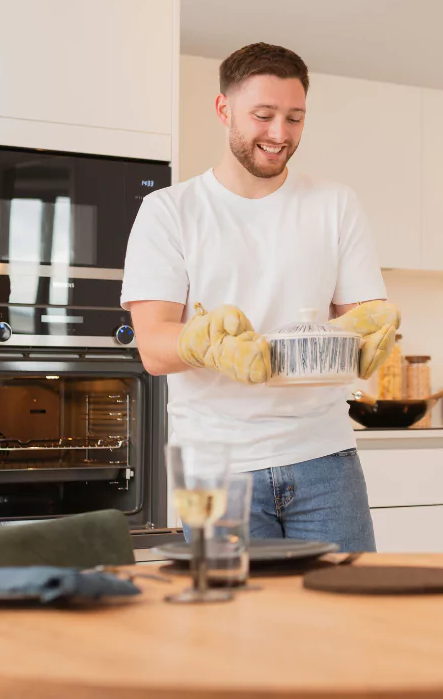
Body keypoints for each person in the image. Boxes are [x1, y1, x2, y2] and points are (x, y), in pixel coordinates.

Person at [120, 42, 399, 552]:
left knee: (350, 621)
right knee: (234, 627)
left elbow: (361, 318)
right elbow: (153, 348)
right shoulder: (169, 211)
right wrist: (208, 343)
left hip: (325, 458)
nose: (280, 134)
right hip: (216, 468)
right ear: (224, 109)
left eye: (295, 118)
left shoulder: (335, 204)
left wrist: (370, 333)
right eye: (264, 115)